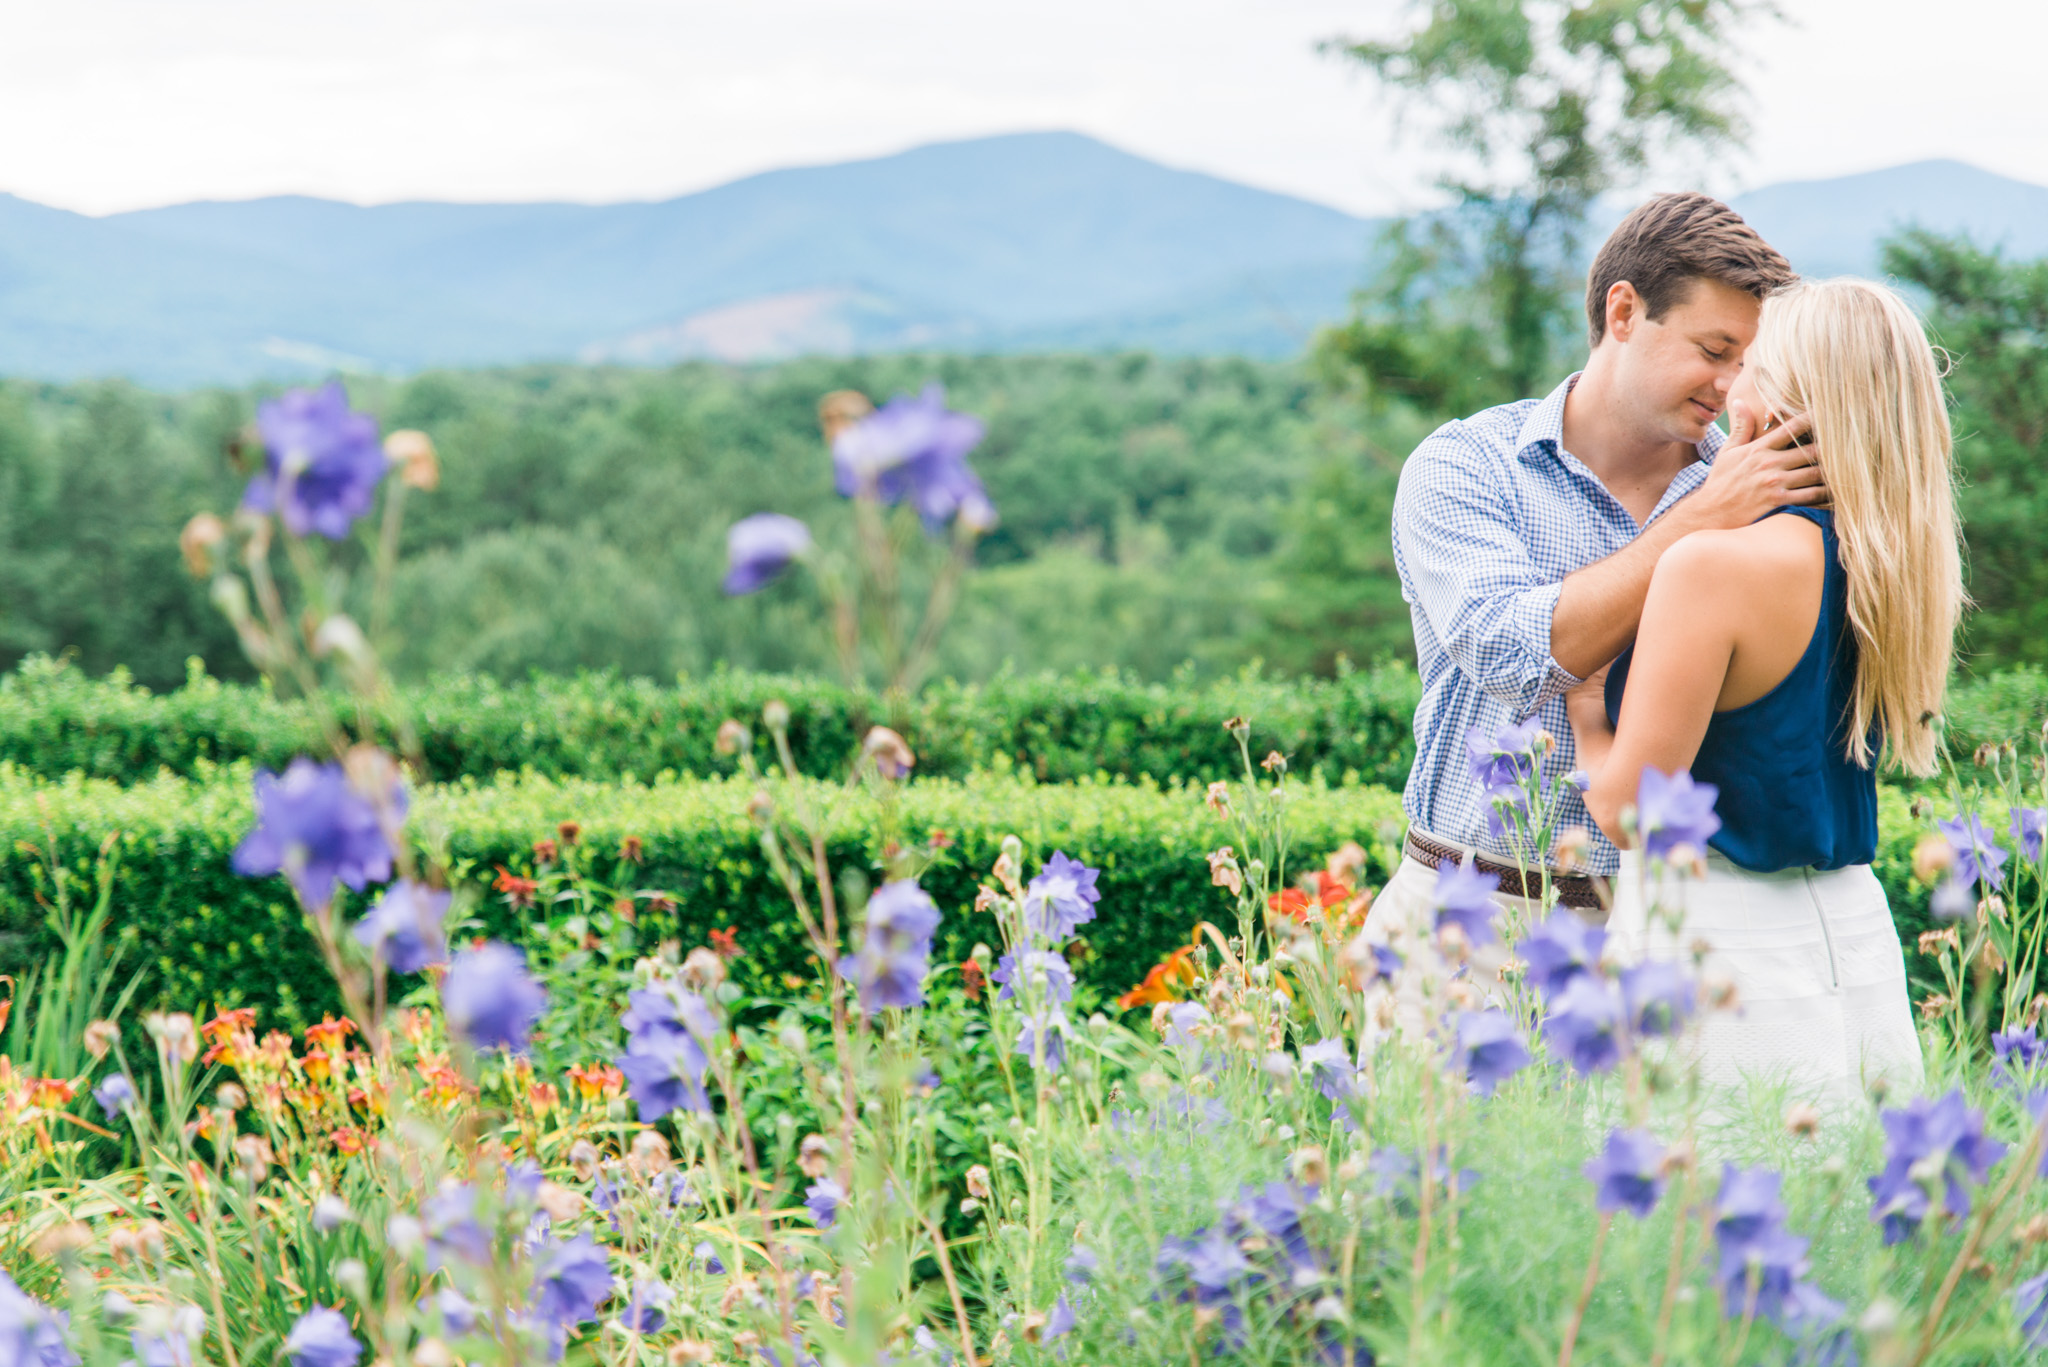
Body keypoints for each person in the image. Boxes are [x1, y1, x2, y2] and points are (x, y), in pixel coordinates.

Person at [1367, 193, 1808, 962]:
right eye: (1714, 349)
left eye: (1750, 362)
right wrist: (1704, 519)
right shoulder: (1466, 465)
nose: (1733, 386)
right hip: (1470, 919)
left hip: (1661, 931)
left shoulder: (1753, 484)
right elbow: (1512, 656)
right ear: (1625, 311)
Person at [1567, 277, 1956, 1104]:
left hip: (1719, 944)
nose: (1729, 382)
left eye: (1749, 362)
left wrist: (1588, 707)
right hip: (1855, 934)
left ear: (1782, 394)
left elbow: (1629, 811)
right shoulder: (1893, 566)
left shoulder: (1713, 567)